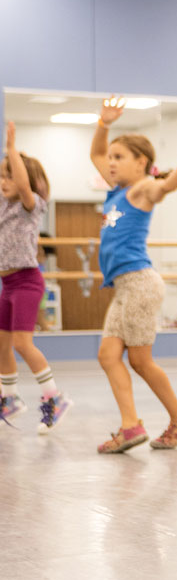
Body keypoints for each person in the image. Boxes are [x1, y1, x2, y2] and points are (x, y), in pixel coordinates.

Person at [91, 98, 177, 453]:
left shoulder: (141, 189)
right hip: (124, 288)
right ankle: (131, 426)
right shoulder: (115, 191)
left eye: (120, 157)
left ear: (142, 163)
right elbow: (96, 154)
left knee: (140, 360)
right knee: (108, 356)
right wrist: (103, 124)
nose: (111, 163)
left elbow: (169, 185)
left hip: (140, 284)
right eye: (111, 158)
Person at [0, 122, 71, 432]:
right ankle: (11, 398)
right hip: (8, 284)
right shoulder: (3, 206)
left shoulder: (31, 206)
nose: (4, 181)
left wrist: (11, 149)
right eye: (1, 175)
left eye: (9, 175)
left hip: (27, 281)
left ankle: (54, 399)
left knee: (22, 343)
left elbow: (25, 188)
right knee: (2, 344)